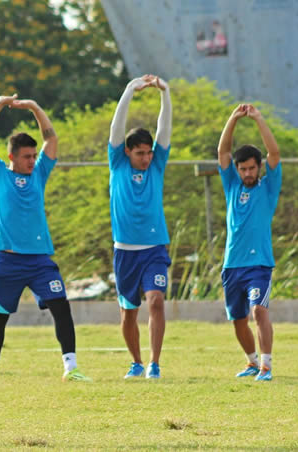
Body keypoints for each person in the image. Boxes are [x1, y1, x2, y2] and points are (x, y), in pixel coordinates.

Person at [0, 94, 91, 383]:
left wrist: (36, 108)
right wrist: (0, 103)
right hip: (6, 259)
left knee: (61, 307)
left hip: (40, 260)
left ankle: (71, 368)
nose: (31, 160)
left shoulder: (39, 174)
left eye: (33, 156)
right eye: (26, 156)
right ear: (11, 156)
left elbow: (51, 141)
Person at [108, 74, 172, 379]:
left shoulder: (157, 164)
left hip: (154, 248)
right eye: (140, 153)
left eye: (149, 152)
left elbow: (165, 130)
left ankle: (154, 363)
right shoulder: (117, 162)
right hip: (125, 252)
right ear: (128, 152)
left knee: (156, 301)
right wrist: (129, 90)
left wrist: (165, 94)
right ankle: (135, 361)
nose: (146, 157)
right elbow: (117, 129)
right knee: (128, 312)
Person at [216, 104, 281, 381]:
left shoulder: (268, 187)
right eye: (243, 169)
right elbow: (223, 153)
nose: (247, 173)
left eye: (252, 168)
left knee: (259, 309)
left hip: (259, 264)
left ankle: (266, 365)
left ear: (259, 168)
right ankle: (252, 362)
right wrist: (231, 118)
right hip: (233, 264)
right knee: (238, 319)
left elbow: (274, 153)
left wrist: (258, 118)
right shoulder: (232, 185)